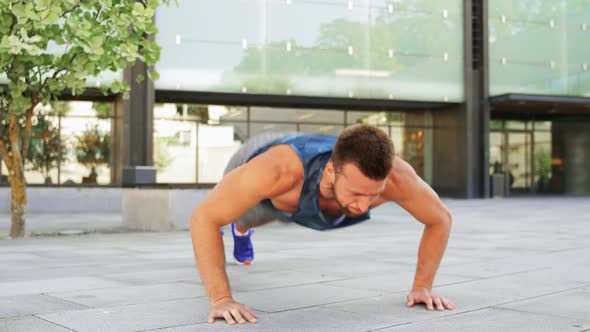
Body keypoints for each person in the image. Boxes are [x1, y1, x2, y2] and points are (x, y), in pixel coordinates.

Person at [190, 124, 454, 325]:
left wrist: (422, 286)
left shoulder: (397, 177)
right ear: (330, 172)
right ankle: (242, 232)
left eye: (374, 194)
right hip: (262, 160)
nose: (363, 207)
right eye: (356, 194)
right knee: (246, 216)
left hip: (305, 179)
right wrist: (221, 299)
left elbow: (440, 219)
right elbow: (203, 218)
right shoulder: (276, 170)